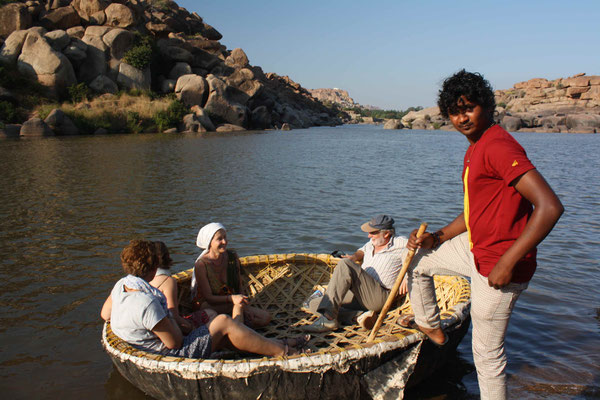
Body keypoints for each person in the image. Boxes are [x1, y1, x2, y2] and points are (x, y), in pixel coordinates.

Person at [402, 70, 564, 399]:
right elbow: (477, 210)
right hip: (478, 248)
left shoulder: (498, 146)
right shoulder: (477, 146)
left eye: (469, 108)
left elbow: (549, 207)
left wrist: (507, 262)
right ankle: (431, 325)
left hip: (499, 265)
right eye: (454, 111)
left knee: (487, 359)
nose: (462, 117)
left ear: (487, 106)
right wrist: (439, 236)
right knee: (418, 258)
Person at [101, 240, 308, 359]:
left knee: (221, 328)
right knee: (222, 322)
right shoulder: (147, 303)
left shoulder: (121, 285)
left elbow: (105, 314)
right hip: (172, 354)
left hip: (149, 343)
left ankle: (277, 344)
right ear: (154, 268)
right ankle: (284, 350)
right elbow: (175, 342)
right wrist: (179, 323)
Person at [303, 214, 408, 333]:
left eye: (373, 233)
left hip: (379, 295)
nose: (369, 236)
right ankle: (357, 316)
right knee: (315, 303)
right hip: (360, 293)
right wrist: (354, 257)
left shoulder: (400, 243)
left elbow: (420, 253)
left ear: (386, 234)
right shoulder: (372, 243)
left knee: (345, 264)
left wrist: (408, 276)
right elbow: (361, 251)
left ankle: (328, 320)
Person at [191, 223, 271, 328]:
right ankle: (238, 331)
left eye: (225, 237)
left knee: (265, 318)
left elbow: (239, 285)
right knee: (236, 308)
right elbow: (209, 297)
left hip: (232, 301)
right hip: (211, 305)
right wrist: (232, 299)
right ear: (209, 242)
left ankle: (234, 326)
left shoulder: (232, 257)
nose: (224, 242)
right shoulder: (202, 264)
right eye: (219, 239)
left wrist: (245, 306)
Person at [149, 241, 215, 334]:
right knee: (211, 313)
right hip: (168, 330)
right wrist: (192, 328)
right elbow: (173, 316)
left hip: (154, 326)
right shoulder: (167, 282)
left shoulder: (143, 278)